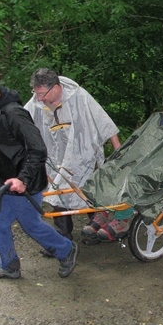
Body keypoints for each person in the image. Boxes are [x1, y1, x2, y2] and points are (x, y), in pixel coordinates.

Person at [0, 66, 78, 280]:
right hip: (2, 181)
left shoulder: (14, 114)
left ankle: (66, 250)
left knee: (30, 225)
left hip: (21, 183)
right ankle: (9, 265)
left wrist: (23, 179)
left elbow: (38, 149)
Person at [82, 89, 163, 241]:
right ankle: (103, 212)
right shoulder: (156, 118)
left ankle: (121, 221)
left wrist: (155, 168)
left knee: (132, 180)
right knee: (108, 170)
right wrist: (122, 156)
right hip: (140, 161)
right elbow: (136, 139)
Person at [24, 68, 121, 244]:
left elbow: (103, 121)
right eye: (35, 93)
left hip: (81, 154)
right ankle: (64, 238)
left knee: (87, 191)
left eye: (42, 93)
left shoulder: (79, 96)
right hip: (54, 157)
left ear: (55, 88)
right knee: (57, 193)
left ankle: (95, 227)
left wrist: (119, 152)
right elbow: (21, 122)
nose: (39, 98)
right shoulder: (36, 103)